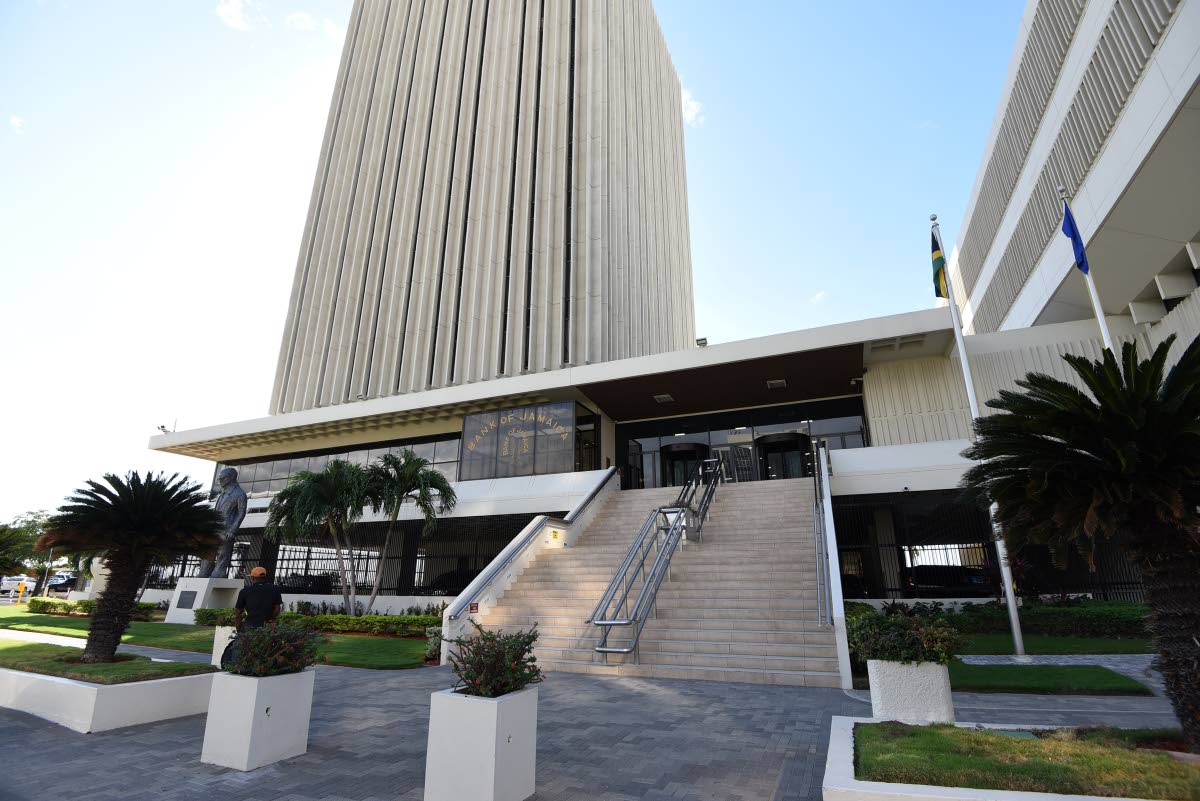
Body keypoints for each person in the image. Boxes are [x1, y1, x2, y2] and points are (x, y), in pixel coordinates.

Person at [234, 566, 283, 631]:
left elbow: (238, 612)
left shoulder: (244, 591)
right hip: (267, 626)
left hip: (250, 625)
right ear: (264, 577)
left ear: (252, 578)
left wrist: (238, 628)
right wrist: (271, 620)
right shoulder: (274, 589)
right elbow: (277, 609)